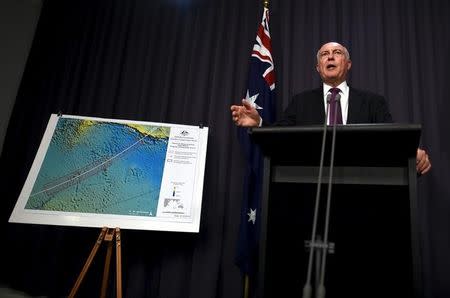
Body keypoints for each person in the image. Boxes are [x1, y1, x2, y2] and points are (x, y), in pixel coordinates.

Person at [231, 41, 431, 175]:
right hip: (310, 187)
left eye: (337, 53)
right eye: (324, 54)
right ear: (318, 67)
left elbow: (391, 140)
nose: (330, 57)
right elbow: (280, 138)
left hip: (362, 188)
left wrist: (412, 154)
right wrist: (258, 123)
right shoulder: (300, 102)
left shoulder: (373, 102)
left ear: (348, 64)